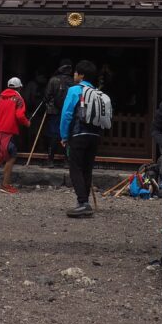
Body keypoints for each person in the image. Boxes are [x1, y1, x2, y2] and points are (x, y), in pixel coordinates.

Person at [60, 60, 103, 218]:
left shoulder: (74, 90)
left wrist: (64, 136)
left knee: (75, 168)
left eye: (76, 72)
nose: (74, 75)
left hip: (78, 134)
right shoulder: (97, 92)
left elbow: (67, 115)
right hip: (95, 136)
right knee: (87, 168)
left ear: (81, 75)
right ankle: (83, 203)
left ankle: (83, 202)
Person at [0, 77, 30, 194]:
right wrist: (27, 122)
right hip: (10, 132)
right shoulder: (18, 99)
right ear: (19, 87)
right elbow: (19, 116)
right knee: (11, 157)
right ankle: (5, 185)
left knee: (1, 154)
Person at [43, 59, 74, 167]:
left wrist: (47, 102)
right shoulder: (73, 82)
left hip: (54, 111)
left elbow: (47, 96)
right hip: (68, 112)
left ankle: (50, 160)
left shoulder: (53, 80)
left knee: (53, 134)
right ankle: (67, 161)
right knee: (67, 134)